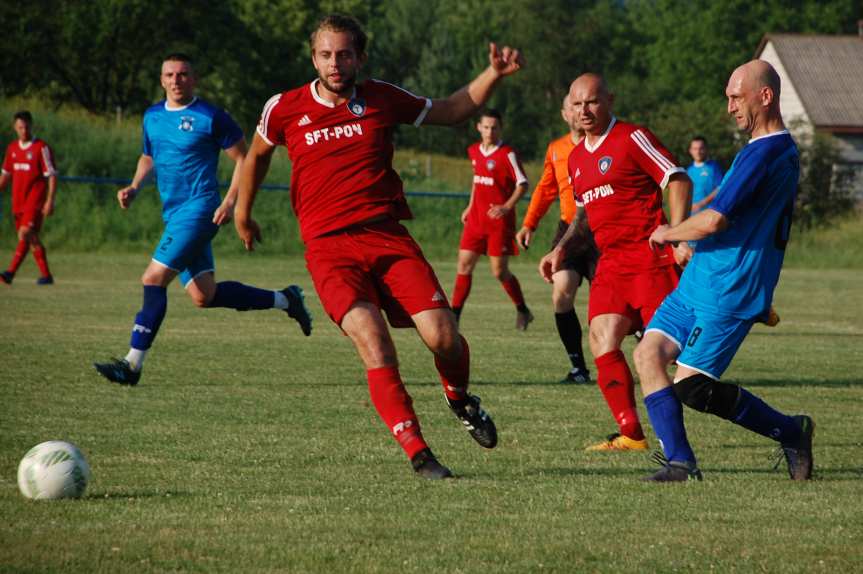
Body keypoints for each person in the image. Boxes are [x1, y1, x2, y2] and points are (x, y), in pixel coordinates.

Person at [235, 14, 524, 479]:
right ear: (314, 57)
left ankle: (459, 399)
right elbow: (257, 157)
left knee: (444, 338)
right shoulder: (284, 108)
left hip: (387, 237)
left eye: (344, 54)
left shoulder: (382, 98)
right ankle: (419, 454)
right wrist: (242, 213)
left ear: (359, 57)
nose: (334, 63)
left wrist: (493, 73)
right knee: (374, 341)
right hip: (329, 249)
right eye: (326, 54)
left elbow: (451, 110)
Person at [633, 60, 813, 482]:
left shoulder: (766, 153)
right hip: (700, 281)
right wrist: (692, 245)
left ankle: (792, 430)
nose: (730, 107)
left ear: (764, 96)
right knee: (647, 355)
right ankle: (680, 463)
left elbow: (715, 220)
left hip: (731, 290)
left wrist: (669, 233)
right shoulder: (767, 150)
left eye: (736, 96)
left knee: (693, 388)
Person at [93, 53, 312, 386]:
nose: (176, 80)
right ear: (162, 79)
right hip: (174, 213)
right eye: (170, 75)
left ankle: (131, 365)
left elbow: (245, 159)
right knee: (203, 296)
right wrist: (135, 187)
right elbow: (148, 156)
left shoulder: (211, 117)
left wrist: (230, 201)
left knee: (153, 278)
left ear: (193, 79)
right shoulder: (152, 117)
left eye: (183, 74)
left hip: (200, 209)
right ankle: (286, 299)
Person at [539, 73, 692, 452]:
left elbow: (677, 179)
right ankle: (631, 434)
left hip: (650, 258)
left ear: (609, 99)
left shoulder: (632, 138)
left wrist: (677, 233)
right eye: (576, 104)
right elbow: (587, 213)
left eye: (591, 102)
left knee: (680, 361)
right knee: (601, 339)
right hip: (611, 263)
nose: (584, 111)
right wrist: (562, 249)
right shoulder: (575, 158)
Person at [516, 95, 597, 383]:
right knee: (561, 292)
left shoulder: (603, 143)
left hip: (601, 229)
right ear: (565, 114)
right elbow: (545, 189)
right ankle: (579, 369)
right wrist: (529, 225)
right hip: (569, 232)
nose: (579, 111)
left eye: (584, 105)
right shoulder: (556, 149)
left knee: (612, 304)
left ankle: (651, 349)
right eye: (573, 106)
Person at [451, 109, 533, 330]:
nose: (489, 131)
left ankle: (523, 310)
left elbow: (523, 184)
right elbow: (477, 182)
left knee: (499, 271)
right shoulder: (474, 151)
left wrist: (507, 207)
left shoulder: (508, 154)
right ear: (479, 127)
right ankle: (454, 317)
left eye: (494, 127)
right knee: (463, 265)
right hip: (476, 219)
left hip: (498, 223)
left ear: (500, 128)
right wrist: (470, 206)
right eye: (486, 127)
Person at [0, 111, 58, 285]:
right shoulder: (12, 149)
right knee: (30, 238)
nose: (23, 130)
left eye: (26, 127)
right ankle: (46, 276)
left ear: (31, 126)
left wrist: (50, 200)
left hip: (35, 200)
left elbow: (52, 175)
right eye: (20, 127)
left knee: (25, 233)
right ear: (15, 128)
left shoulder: (41, 147)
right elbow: (5, 176)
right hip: (18, 201)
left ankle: (9, 273)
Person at [686, 136, 723, 214]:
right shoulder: (689, 170)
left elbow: (720, 188)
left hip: (710, 214)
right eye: (695, 149)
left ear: (706, 149)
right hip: (691, 216)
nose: (698, 152)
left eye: (701, 148)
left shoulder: (714, 167)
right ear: (690, 151)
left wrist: (701, 204)